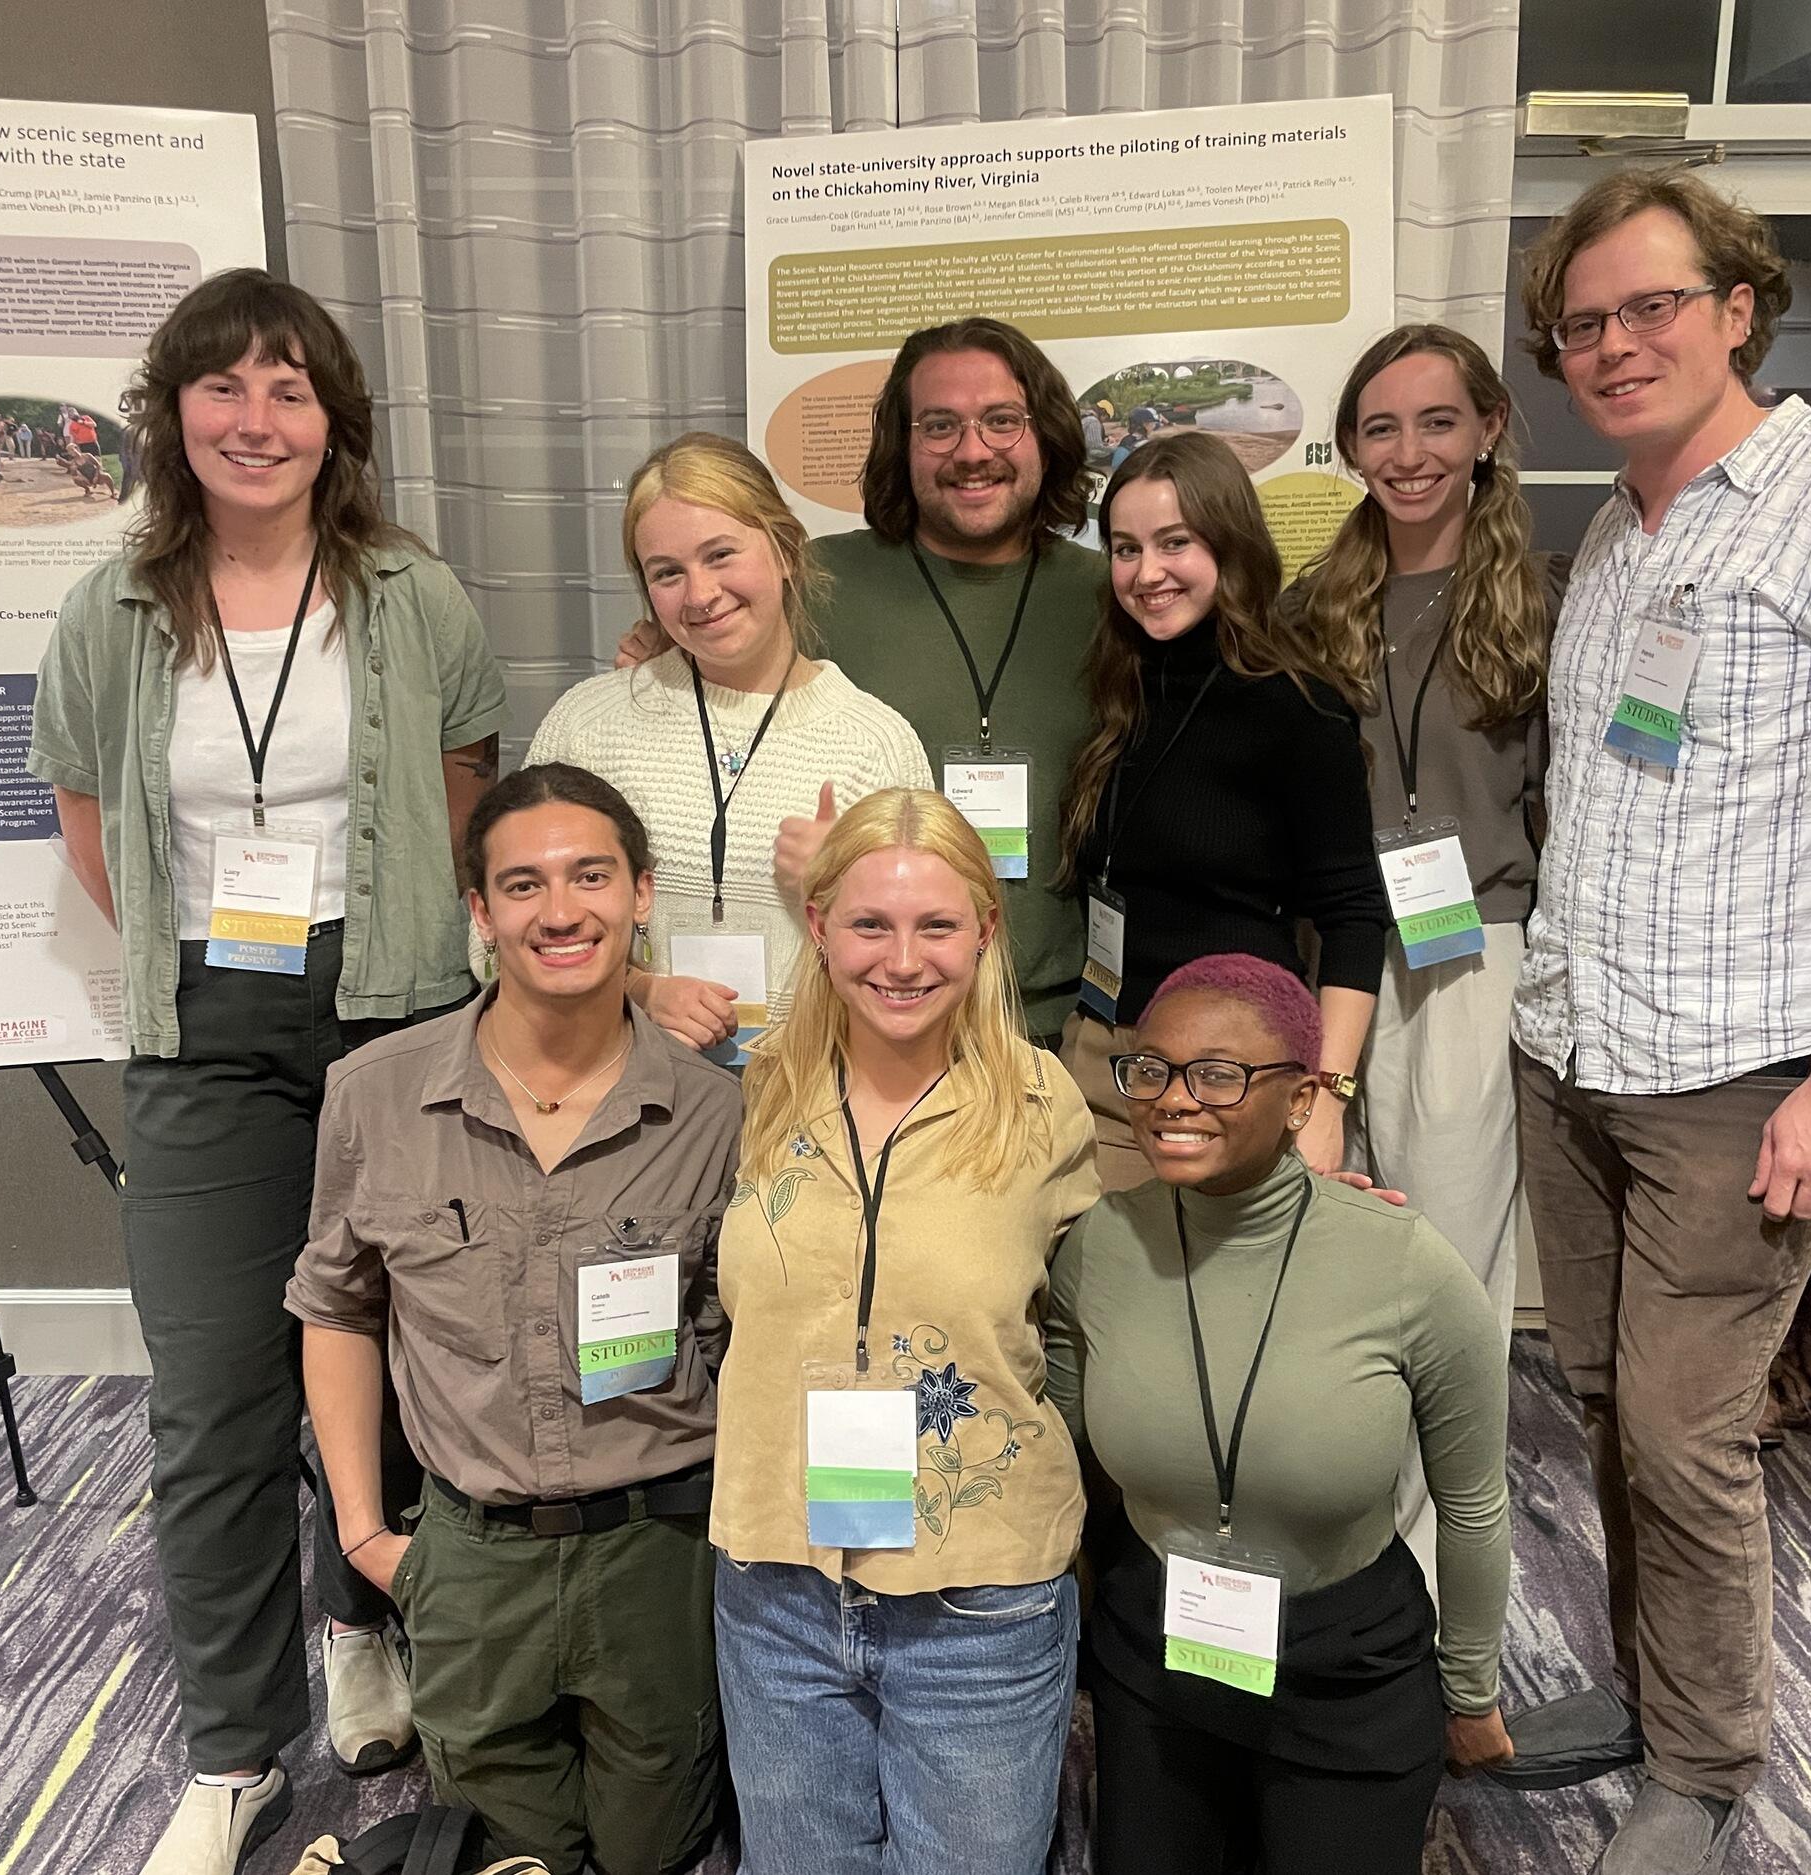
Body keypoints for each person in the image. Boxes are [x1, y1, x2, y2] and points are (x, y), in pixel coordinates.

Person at [1501, 170, 1811, 1873]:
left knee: (1682, 1429)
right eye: (1584, 323)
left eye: (1652, 305)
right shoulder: (1623, 532)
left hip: (1737, 1074)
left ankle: (1706, 1769)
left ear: (1738, 306)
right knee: (1593, 1397)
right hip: (1574, 1052)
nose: (1617, 344)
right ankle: (1657, 1699)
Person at [28, 266, 508, 1875]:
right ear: (174, 415)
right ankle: (233, 1749)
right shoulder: (107, 613)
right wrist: (220, 959)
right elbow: (93, 826)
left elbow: (461, 799)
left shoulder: (414, 595)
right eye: (223, 387)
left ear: (334, 421)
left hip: (397, 1011)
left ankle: (366, 1624)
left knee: (417, 1359)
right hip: (199, 1034)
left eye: (290, 387)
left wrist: (373, 956)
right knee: (217, 1396)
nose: (256, 417)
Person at [292, 763, 739, 1875]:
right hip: (471, 1558)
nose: (561, 910)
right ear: (481, 914)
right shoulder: (377, 1095)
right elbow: (338, 1310)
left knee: (654, 1852)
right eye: (523, 884)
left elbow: (745, 1337)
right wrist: (362, 1536)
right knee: (504, 1855)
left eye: (591, 876)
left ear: (641, 896)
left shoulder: (717, 1112)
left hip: (659, 1552)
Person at [1045, 952, 1513, 1872]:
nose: (1173, 1098)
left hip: (1346, 1670)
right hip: (1159, 1650)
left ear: (1302, 1099)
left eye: (1218, 1074)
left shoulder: (1406, 1265)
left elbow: (1473, 1503)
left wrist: (1472, 1689)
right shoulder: (1100, 1246)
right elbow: (1057, 1454)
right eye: (1151, 1068)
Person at [709, 787, 1097, 1875]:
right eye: (870, 925)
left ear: (985, 931)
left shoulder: (1040, 1105)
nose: (902, 958)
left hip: (977, 1596)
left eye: (936, 926)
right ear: (819, 922)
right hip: (776, 1580)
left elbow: (1101, 1310)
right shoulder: (758, 1091)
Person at [1279, 324, 1566, 1585]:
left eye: (1436, 422)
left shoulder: (1544, 600)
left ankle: (1440, 1565)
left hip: (1473, 954)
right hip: (1332, 959)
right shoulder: (1310, 605)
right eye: (1381, 428)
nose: (1408, 453)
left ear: (1488, 428)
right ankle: (1345, 1530)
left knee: (1445, 1263)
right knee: (1327, 1246)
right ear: (1348, 446)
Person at [618, 318, 1102, 1045]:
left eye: (1001, 421)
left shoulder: (1114, 598)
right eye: (939, 425)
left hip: (1072, 1019)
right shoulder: (820, 581)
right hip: (882, 1018)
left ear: (1047, 433)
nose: (972, 451)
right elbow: (709, 627)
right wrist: (651, 654)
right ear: (901, 444)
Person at [1056, 430, 1388, 1192]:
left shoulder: (1296, 707)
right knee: (1098, 1297)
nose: (1147, 573)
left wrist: (1329, 1097)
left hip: (1225, 1074)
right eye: (1125, 548)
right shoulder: (1122, 690)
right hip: (1104, 1055)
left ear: (1231, 545)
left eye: (1175, 542)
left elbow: (1352, 916)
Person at [527, 433, 929, 1059]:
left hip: (822, 1095)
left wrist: (848, 889)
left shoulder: (873, 742)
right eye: (667, 572)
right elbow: (497, 946)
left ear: (786, 551)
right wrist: (635, 991)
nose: (700, 595)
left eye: (721, 555)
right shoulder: (589, 727)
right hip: (631, 1094)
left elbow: (937, 964)